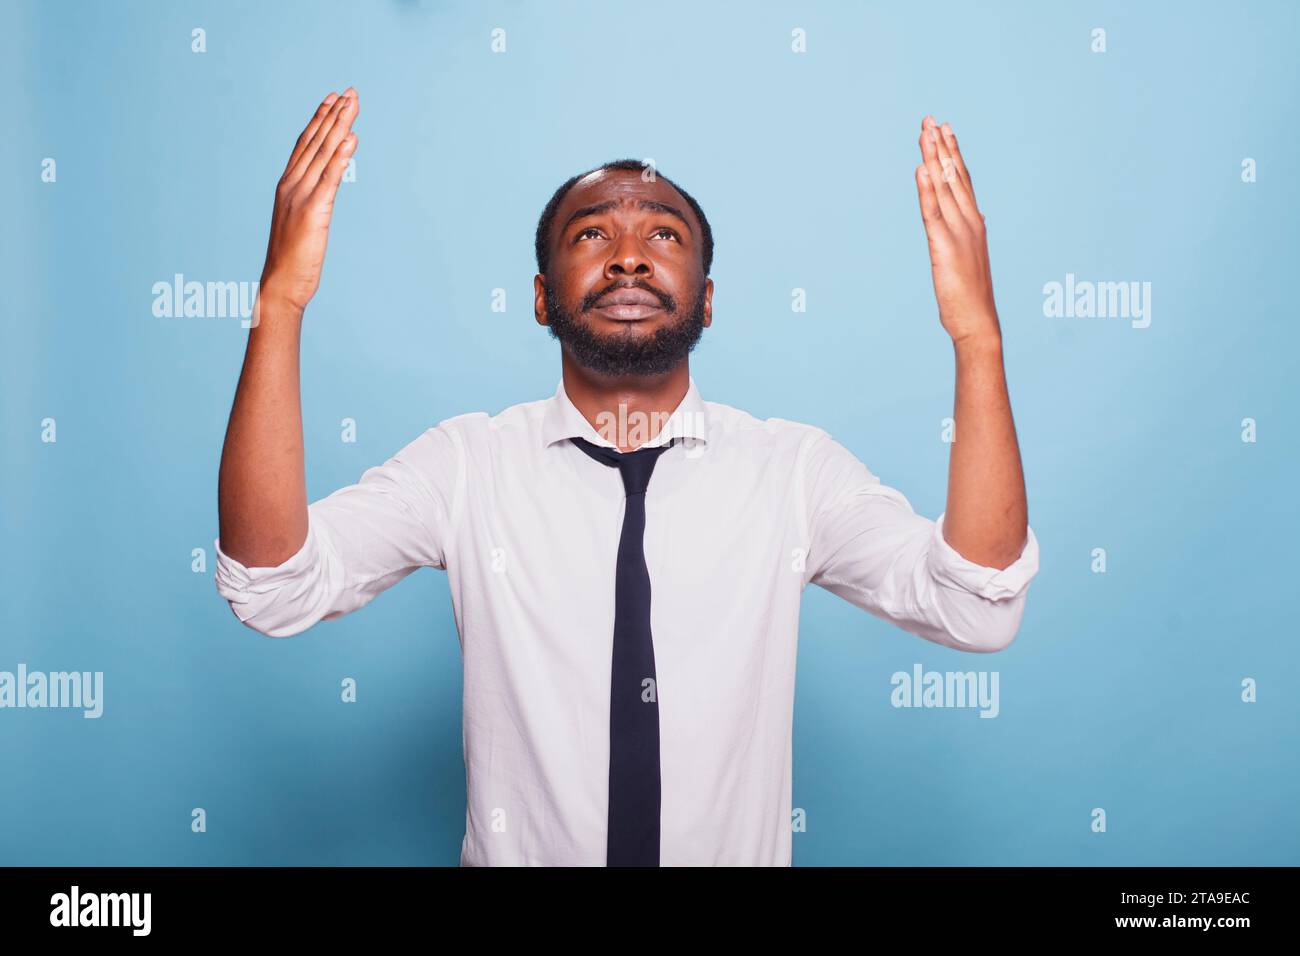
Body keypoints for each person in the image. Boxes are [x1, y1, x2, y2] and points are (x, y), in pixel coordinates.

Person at [214, 88, 1040, 867]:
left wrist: (978, 339)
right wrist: (279, 303)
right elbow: (272, 587)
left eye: (663, 237)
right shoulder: (466, 465)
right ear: (542, 298)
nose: (629, 261)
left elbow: (976, 608)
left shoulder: (793, 472)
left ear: (707, 301)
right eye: (592, 236)